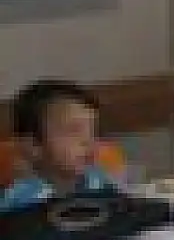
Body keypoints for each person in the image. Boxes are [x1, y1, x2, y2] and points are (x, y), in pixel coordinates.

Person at [1, 79, 118, 211]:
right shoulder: (22, 200)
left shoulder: (98, 180)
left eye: (94, 131)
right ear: (32, 146)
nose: (88, 141)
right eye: (73, 130)